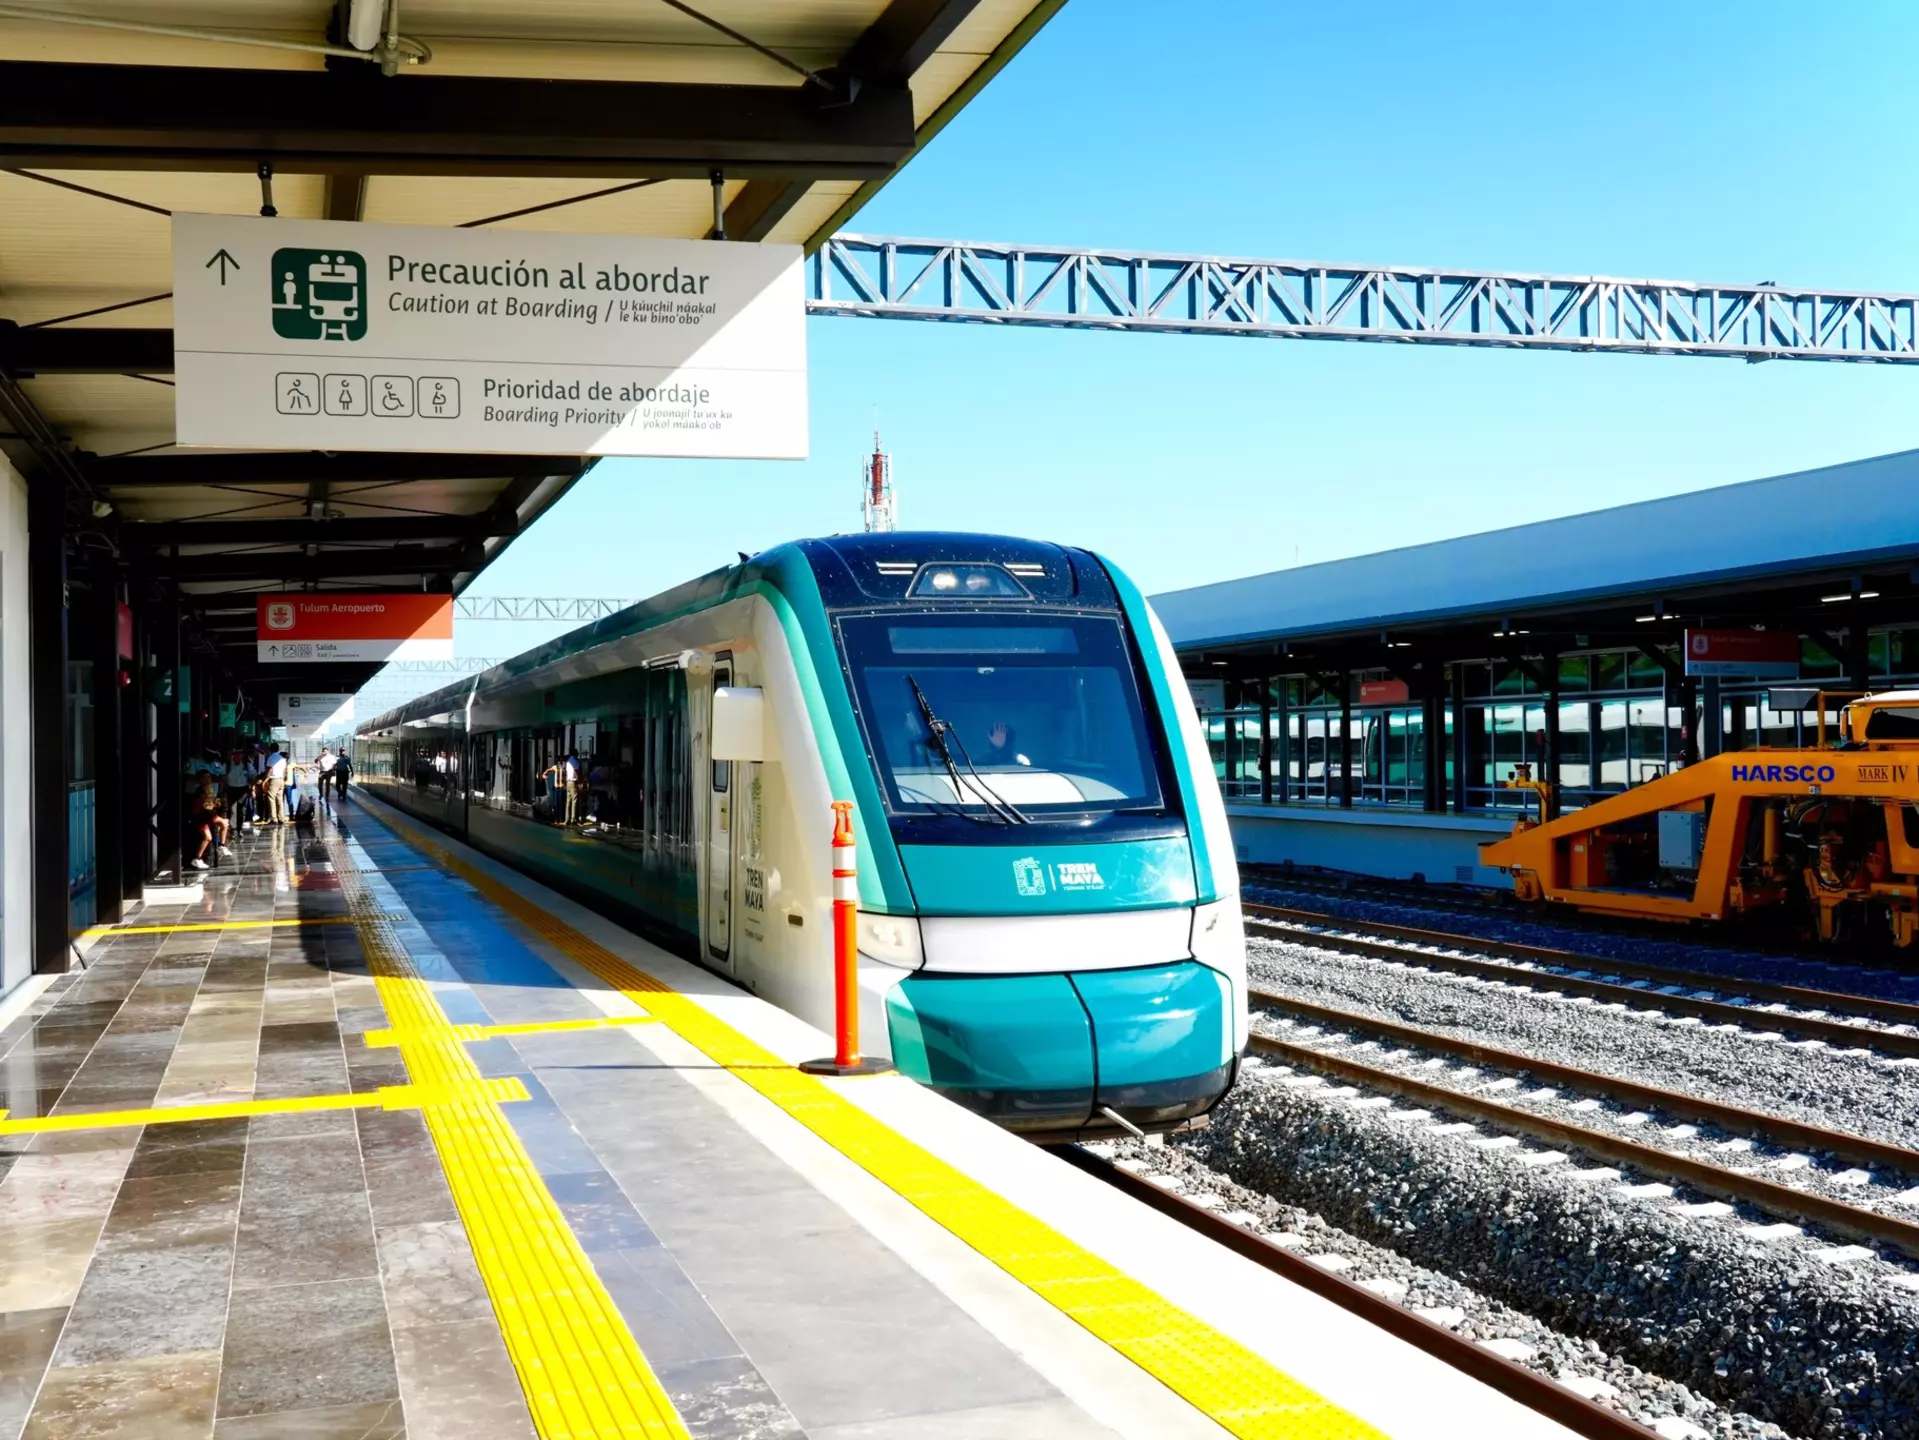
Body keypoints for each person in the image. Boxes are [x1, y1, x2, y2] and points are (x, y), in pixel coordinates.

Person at [188, 772, 232, 870]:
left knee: (224, 823)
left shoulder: (209, 789)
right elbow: (206, 805)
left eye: (209, 777)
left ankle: (221, 846)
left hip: (207, 815)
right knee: (208, 837)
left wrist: (216, 803)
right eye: (206, 777)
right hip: (200, 817)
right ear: (201, 780)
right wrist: (214, 807)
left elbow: (212, 802)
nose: (209, 779)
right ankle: (197, 859)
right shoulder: (200, 791)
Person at [223, 748, 253, 830]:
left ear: (242, 756)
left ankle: (239, 828)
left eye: (240, 754)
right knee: (232, 809)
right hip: (231, 789)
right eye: (236, 754)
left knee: (242, 810)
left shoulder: (247, 765)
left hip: (243, 789)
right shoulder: (228, 765)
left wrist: (252, 788)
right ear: (233, 756)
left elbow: (253, 776)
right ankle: (233, 829)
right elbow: (222, 776)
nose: (238, 756)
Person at [264, 744, 289, 825]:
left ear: (270, 749)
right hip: (281, 779)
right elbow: (285, 771)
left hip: (274, 779)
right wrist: (284, 779)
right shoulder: (282, 758)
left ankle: (274, 818)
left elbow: (269, 769)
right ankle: (281, 818)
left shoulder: (271, 758)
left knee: (271, 798)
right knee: (280, 799)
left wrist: (265, 780)